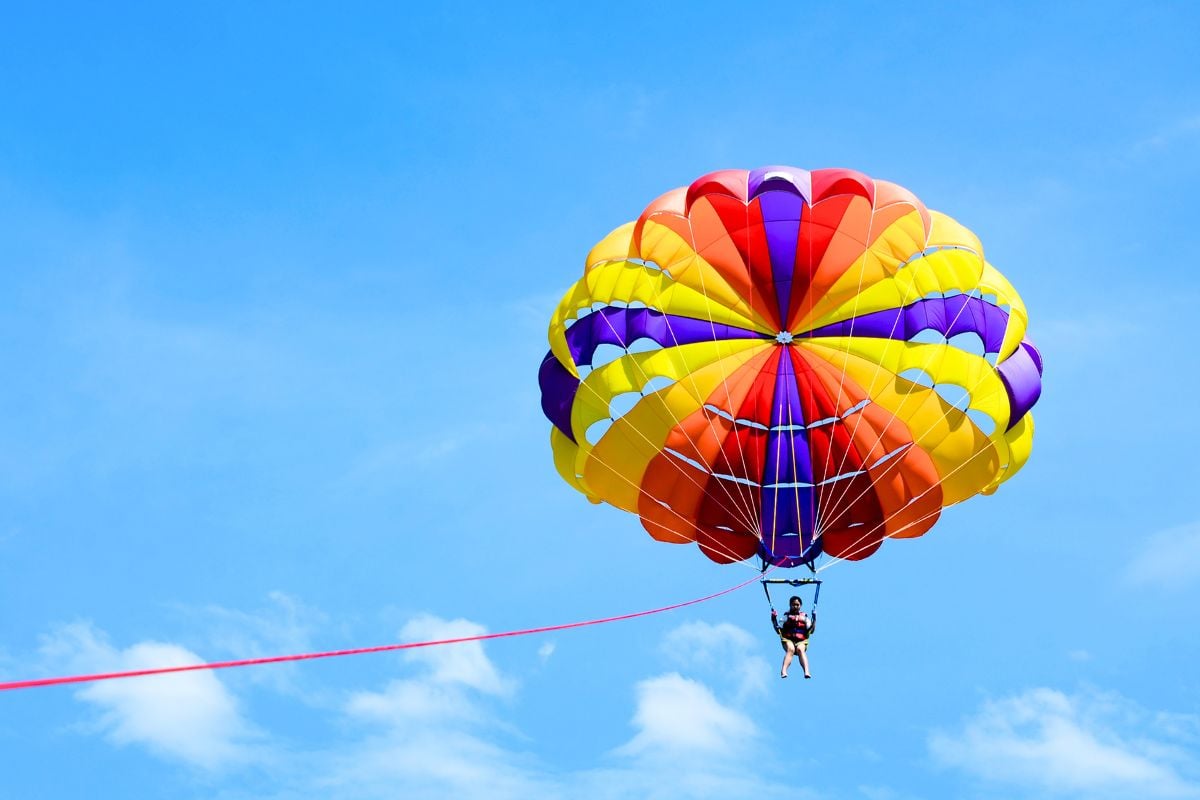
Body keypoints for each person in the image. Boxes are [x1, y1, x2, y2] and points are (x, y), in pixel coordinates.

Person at [771, 595, 812, 679]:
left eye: (797, 605)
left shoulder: (805, 618)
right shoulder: (786, 617)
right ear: (790, 605)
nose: (795, 606)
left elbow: (812, 630)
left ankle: (807, 671)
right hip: (788, 639)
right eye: (793, 605)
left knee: (800, 649)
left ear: (800, 606)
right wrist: (774, 620)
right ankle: (783, 670)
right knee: (791, 649)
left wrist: (814, 619)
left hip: (801, 640)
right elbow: (777, 630)